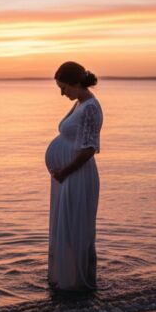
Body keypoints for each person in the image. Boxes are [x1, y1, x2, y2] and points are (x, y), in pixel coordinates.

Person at [45, 61, 103, 291]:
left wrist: (65, 171)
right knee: (66, 228)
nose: (62, 93)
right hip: (66, 176)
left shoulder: (90, 108)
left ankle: (78, 286)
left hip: (77, 176)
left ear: (76, 83)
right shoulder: (80, 103)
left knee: (75, 229)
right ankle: (66, 280)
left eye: (64, 88)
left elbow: (89, 149)